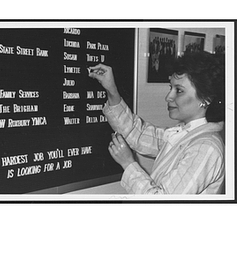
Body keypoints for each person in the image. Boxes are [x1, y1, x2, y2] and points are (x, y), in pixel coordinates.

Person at [89, 51, 225, 194]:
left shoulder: (205, 148)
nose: (168, 97)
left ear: (206, 99)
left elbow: (162, 205)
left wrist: (128, 164)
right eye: (170, 88)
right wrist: (112, 91)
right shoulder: (186, 134)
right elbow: (138, 134)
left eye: (179, 90)